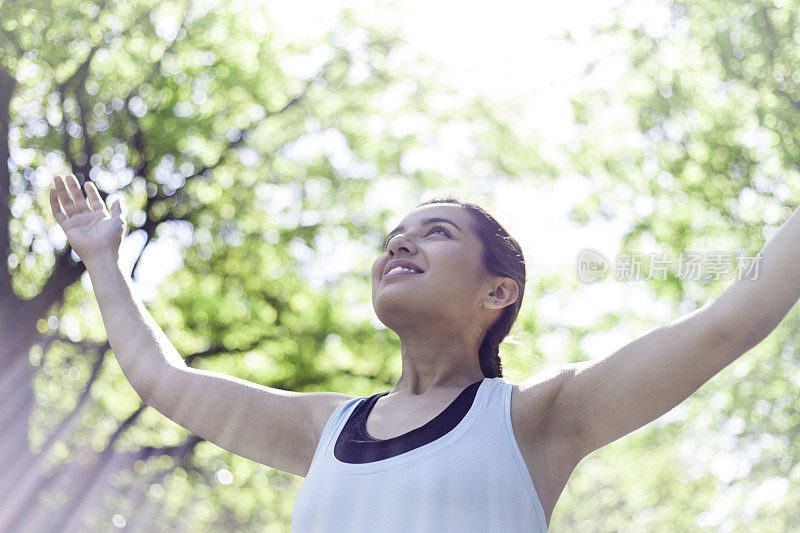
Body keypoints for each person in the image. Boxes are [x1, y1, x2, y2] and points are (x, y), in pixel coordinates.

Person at [49, 173, 800, 531]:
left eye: (436, 232)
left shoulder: (538, 419)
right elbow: (160, 378)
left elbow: (726, 323)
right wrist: (103, 260)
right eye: (393, 237)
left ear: (497, 293)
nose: (399, 242)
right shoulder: (326, 430)